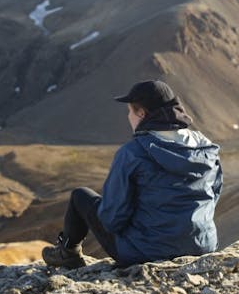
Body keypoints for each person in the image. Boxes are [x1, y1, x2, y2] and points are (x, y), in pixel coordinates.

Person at [41, 80, 223, 268]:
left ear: (142, 114)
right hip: (202, 247)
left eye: (130, 111)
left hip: (146, 253)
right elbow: (214, 194)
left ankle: (67, 253)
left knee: (80, 196)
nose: (128, 117)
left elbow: (112, 219)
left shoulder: (133, 153)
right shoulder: (205, 146)